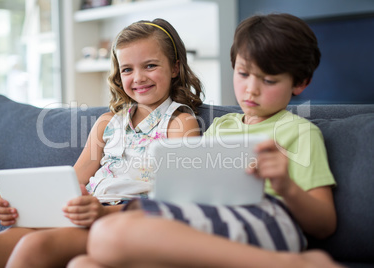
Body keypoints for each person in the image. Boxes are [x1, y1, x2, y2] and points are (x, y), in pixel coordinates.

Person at [68, 13, 344, 268]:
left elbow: (324, 224)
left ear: (299, 83)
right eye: (243, 73)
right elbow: (186, 194)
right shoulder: (221, 126)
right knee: (83, 264)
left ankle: (295, 264)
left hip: (267, 217)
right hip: (208, 218)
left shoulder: (300, 132)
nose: (251, 89)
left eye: (269, 80)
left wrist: (285, 185)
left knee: (105, 236)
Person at [0, 18, 203, 268]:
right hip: (85, 210)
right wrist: (23, 207)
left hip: (125, 218)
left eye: (149, 65)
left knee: (35, 246)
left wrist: (101, 212)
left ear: (174, 68)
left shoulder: (181, 123)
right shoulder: (107, 123)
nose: (138, 77)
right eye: (127, 69)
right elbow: (74, 179)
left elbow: (176, 200)